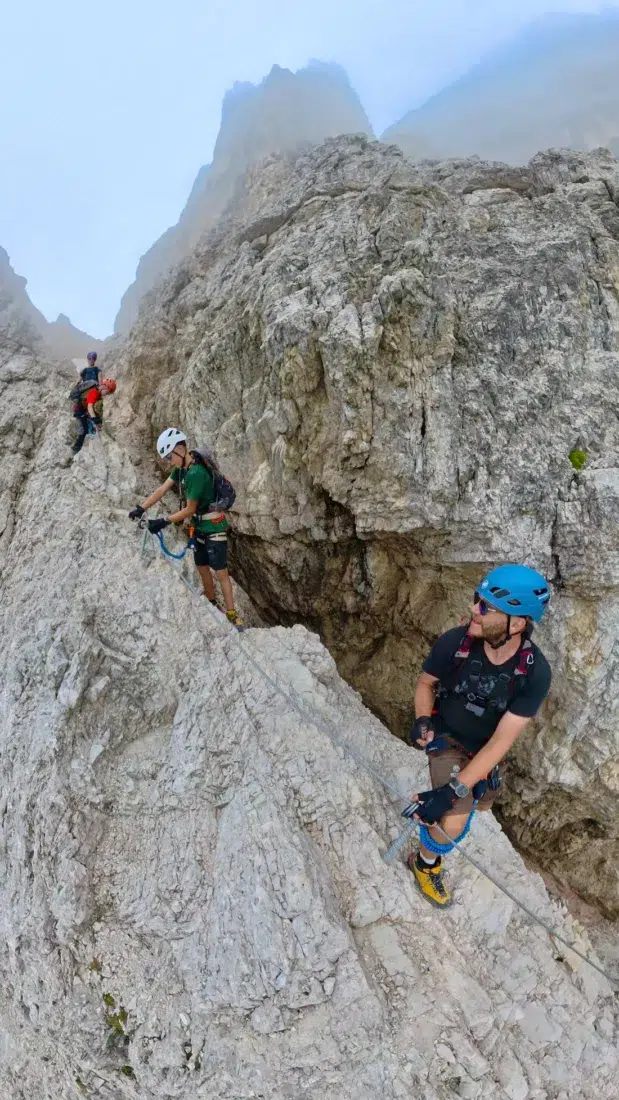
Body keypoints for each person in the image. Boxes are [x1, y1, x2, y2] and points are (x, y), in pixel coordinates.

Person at [405, 564, 551, 908]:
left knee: (478, 802)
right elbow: (426, 683)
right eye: (477, 599)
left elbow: (502, 742)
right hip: (448, 737)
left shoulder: (534, 673)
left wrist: (457, 788)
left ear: (517, 623)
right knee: (452, 822)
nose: (474, 610)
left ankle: (465, 794)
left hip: (483, 749)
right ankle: (425, 863)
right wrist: (423, 718)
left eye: (486, 607)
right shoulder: (455, 642)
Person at [128, 428, 244, 629]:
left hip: (213, 526)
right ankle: (211, 601)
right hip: (199, 526)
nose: (168, 461)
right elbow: (163, 489)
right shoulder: (182, 468)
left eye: (169, 456)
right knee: (201, 566)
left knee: (220, 572)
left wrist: (164, 521)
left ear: (180, 449)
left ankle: (232, 614)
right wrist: (142, 507)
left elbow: (190, 509)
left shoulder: (196, 473)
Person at [72, 377, 117, 455]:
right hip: (79, 409)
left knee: (90, 428)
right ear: (104, 387)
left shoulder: (97, 393)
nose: (106, 395)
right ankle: (76, 449)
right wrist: (95, 419)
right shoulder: (94, 392)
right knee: (84, 430)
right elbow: (90, 406)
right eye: (107, 392)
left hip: (83, 409)